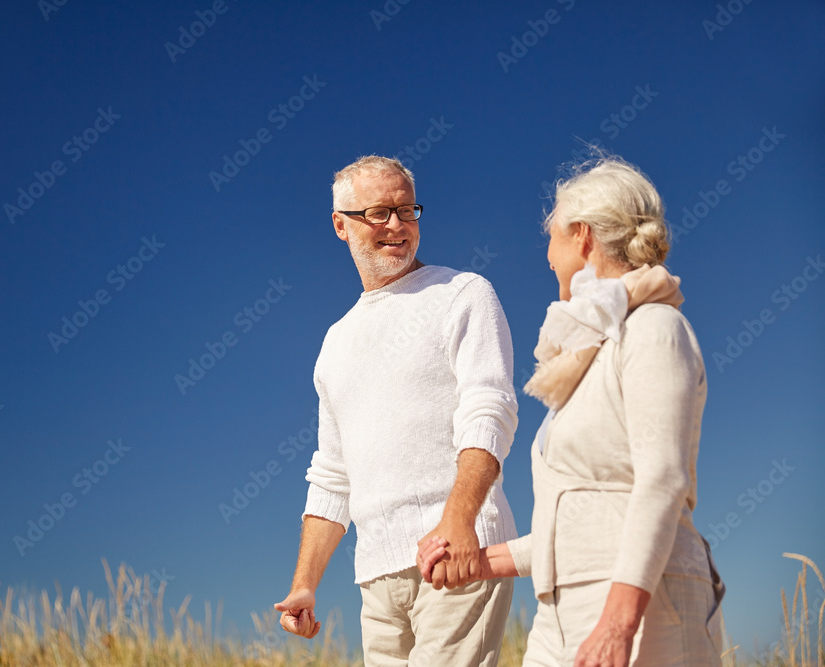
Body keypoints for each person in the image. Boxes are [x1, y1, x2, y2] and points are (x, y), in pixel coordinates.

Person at [418, 154, 726, 666]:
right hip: (560, 612)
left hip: (648, 607)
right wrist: (479, 562)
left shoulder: (653, 328)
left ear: (581, 237)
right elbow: (576, 528)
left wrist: (617, 623)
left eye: (552, 237)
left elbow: (662, 481)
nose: (547, 255)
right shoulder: (586, 357)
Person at [274, 155, 520, 665]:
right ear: (341, 225)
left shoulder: (463, 293)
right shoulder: (335, 343)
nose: (398, 226)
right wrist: (305, 585)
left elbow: (489, 410)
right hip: (377, 576)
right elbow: (332, 474)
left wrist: (458, 524)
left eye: (407, 211)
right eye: (380, 213)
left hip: (457, 553)